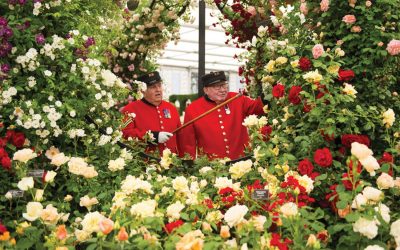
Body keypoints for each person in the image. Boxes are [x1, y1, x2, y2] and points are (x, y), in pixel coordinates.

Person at [178, 71, 265, 159]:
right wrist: (189, 167)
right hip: (212, 167)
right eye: (217, 87)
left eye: (224, 85)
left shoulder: (237, 99)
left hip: (242, 160)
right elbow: (188, 144)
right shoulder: (193, 109)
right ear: (206, 90)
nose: (223, 90)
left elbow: (258, 108)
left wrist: (267, 92)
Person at [121, 71, 181, 154]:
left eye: (159, 85)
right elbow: (125, 133)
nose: (158, 90)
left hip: (172, 163)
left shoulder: (171, 108)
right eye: (153, 87)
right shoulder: (130, 109)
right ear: (143, 91)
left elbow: (181, 136)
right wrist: (153, 136)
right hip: (146, 162)